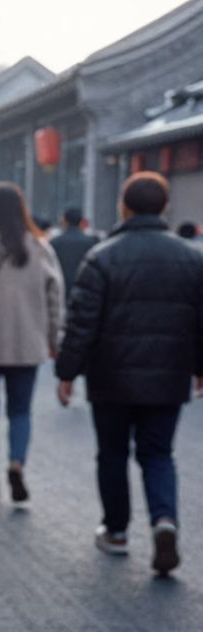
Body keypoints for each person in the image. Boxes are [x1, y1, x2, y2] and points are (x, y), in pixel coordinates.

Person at [56, 172, 203, 576]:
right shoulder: (192, 258)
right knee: (158, 453)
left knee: (113, 454)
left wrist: (67, 372)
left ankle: (117, 532)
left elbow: (82, 322)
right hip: (168, 376)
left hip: (111, 377)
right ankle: (164, 520)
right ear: (165, 207)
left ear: (124, 206)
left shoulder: (103, 256)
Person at [0, 184, 63, 504]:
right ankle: (17, 463)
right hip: (26, 344)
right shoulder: (40, 246)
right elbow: (55, 298)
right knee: (21, 412)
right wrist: (53, 339)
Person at [51, 207, 97, 300]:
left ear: (64, 220)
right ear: (81, 222)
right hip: (84, 292)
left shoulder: (54, 243)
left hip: (61, 291)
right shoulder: (92, 242)